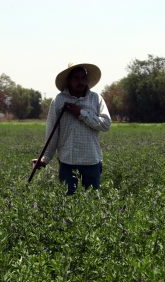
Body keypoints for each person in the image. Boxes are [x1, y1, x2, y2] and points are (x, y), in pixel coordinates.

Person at [31, 63, 111, 194]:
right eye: (76, 78)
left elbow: (106, 124)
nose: (80, 82)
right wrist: (44, 159)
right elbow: (52, 132)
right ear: (69, 80)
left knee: (92, 206)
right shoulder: (59, 100)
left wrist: (81, 113)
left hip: (91, 162)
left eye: (83, 78)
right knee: (68, 205)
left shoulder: (96, 99)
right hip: (68, 162)